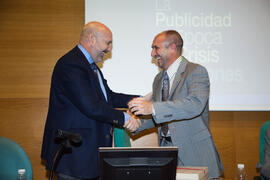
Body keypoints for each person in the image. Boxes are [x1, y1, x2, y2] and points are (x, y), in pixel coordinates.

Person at [41, 21, 140, 180]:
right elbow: (91, 107)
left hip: (88, 158)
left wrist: (139, 100)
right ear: (92, 38)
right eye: (108, 43)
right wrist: (125, 119)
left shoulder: (90, 67)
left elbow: (109, 98)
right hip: (74, 159)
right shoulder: (71, 64)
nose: (109, 49)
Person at [128, 30, 224, 179]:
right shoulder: (159, 79)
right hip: (167, 153)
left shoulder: (196, 71)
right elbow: (159, 115)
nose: (152, 54)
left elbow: (195, 104)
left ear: (172, 47)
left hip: (195, 154)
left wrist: (152, 107)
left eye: (156, 48)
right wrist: (136, 123)